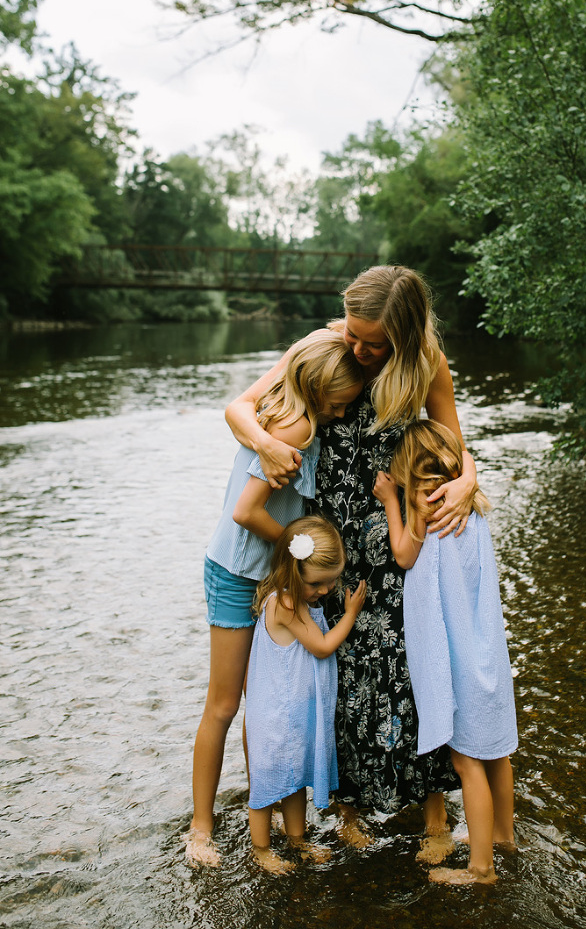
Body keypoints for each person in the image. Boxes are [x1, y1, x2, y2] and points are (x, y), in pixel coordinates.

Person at [225, 266, 479, 856]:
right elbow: (241, 408)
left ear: (407, 335)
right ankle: (347, 812)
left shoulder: (426, 364)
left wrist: (466, 481)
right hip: (328, 537)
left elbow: (455, 448)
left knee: (408, 664)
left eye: (373, 343)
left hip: (394, 527)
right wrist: (264, 443)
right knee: (337, 672)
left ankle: (435, 816)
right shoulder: (329, 346)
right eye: (355, 335)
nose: (359, 349)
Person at [184, 330, 364, 867]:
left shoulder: (285, 399)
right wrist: (300, 549)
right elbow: (245, 512)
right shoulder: (297, 424)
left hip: (265, 577)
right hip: (239, 573)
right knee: (224, 703)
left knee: (263, 707)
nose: (340, 413)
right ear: (318, 388)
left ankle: (262, 811)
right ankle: (200, 828)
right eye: (339, 404)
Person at [374, 419, 518, 885]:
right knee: (497, 752)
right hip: (485, 650)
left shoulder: (424, 504)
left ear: (410, 474)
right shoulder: (467, 502)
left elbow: (403, 555)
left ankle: (480, 868)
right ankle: (502, 837)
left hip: (454, 658)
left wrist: (391, 503)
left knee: (466, 760)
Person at [246, 515, 366, 873]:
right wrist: (351, 614)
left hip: (291, 713)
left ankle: (297, 842)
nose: (326, 591)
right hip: (276, 717)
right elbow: (323, 646)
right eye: (318, 583)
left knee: (294, 778)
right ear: (292, 570)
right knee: (266, 788)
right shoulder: (284, 605)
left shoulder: (296, 600)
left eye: (331, 582)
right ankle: (262, 850)